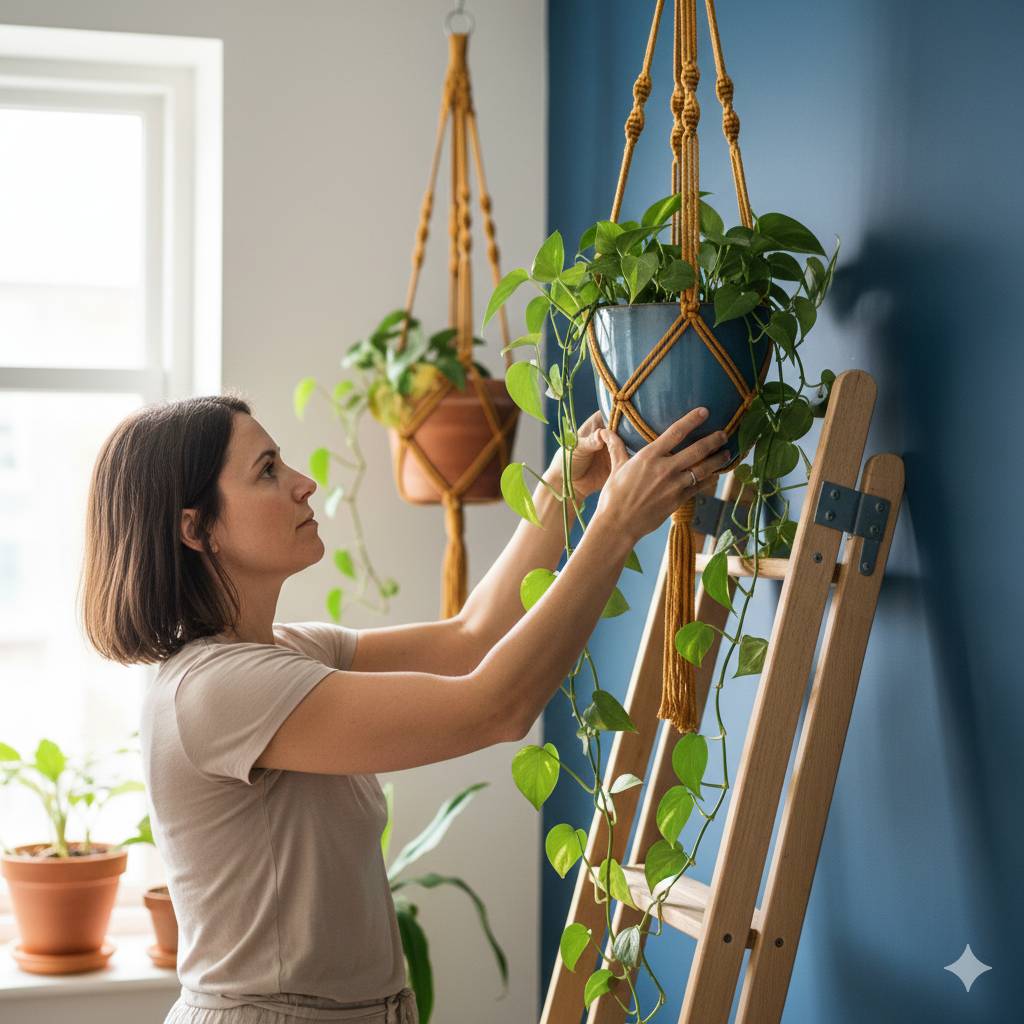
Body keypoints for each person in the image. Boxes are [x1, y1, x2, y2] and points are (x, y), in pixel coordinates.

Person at [79, 393, 730, 1024]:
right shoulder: (217, 690)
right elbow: (495, 706)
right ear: (197, 529)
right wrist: (614, 525)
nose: (304, 484)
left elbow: (469, 635)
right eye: (267, 471)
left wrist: (561, 495)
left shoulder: (285, 653)